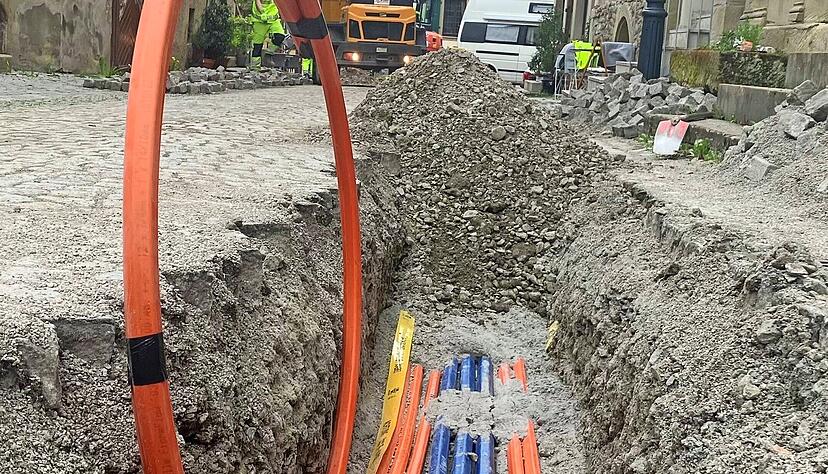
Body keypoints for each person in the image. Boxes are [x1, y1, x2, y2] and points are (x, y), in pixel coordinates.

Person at [251, 0, 286, 70]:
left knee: (280, 36)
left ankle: (268, 54)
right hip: (260, 21)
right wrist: (262, 12)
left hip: (273, 20)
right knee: (257, 46)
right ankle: (255, 68)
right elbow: (258, 2)